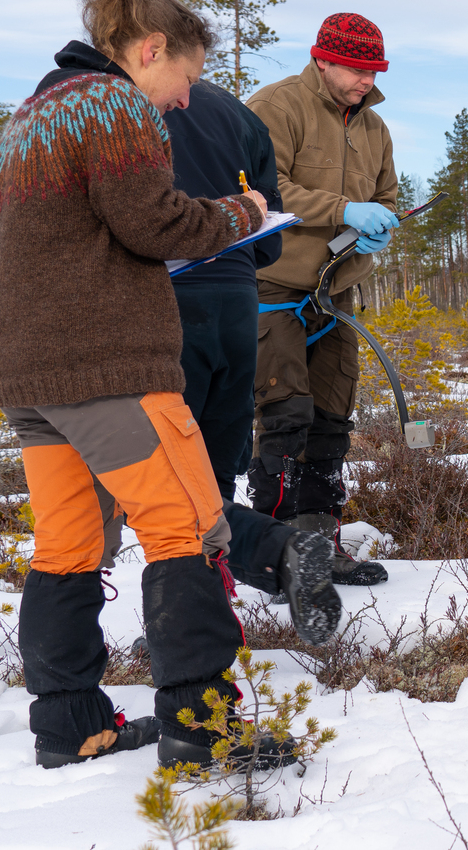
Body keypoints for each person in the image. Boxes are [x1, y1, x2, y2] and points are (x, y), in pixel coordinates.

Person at [0, 0, 269, 769]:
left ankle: (72, 725)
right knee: (186, 527)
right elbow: (155, 223)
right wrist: (244, 213)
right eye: (185, 78)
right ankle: (203, 732)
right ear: (150, 51)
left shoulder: (32, 115)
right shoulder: (110, 104)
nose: (183, 100)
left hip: (33, 375)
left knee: (67, 546)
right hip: (108, 367)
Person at [163, 80, 342, 644]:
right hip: (240, 299)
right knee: (212, 467)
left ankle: (208, 617)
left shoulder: (123, 105)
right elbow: (271, 232)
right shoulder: (240, 114)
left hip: (165, 299)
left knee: (165, 480)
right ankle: (243, 584)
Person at [245, 13, 397, 584]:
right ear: (323, 59)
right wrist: (342, 211)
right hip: (275, 288)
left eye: (375, 70)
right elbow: (265, 190)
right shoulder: (275, 107)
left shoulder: (375, 127)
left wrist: (377, 220)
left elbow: (384, 192)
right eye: (358, 68)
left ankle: (319, 550)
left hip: (339, 292)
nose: (368, 80)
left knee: (331, 419)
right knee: (285, 417)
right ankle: (276, 557)